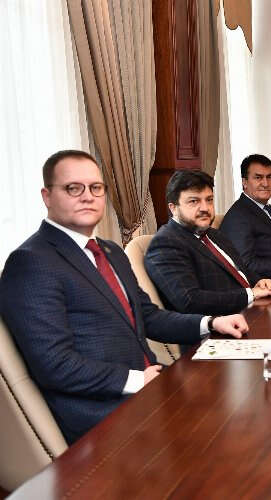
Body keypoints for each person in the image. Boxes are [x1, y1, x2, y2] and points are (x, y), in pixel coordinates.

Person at [0, 150, 249, 444]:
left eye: (96, 188)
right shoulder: (31, 262)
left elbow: (149, 317)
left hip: (152, 390)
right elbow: (55, 365)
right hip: (105, 417)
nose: (88, 197)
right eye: (73, 188)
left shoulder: (110, 251)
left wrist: (211, 323)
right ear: (47, 196)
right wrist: (138, 380)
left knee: (244, 410)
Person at [145, 170, 271, 316]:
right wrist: (251, 294)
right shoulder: (165, 244)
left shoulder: (213, 234)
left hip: (254, 310)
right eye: (194, 201)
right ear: (173, 208)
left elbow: (241, 270)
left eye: (209, 200)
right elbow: (190, 301)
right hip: (222, 324)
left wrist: (260, 282)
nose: (205, 208)